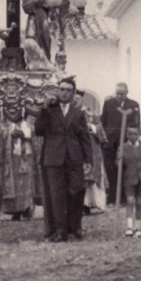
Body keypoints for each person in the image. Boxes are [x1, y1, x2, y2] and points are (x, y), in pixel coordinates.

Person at [34, 78, 93, 241]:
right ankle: (60, 231)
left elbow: (84, 138)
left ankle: (75, 226)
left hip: (74, 158)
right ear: (57, 91)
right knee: (57, 195)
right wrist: (44, 108)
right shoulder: (49, 110)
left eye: (68, 90)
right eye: (61, 89)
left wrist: (89, 160)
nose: (64, 92)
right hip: (54, 159)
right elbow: (38, 130)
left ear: (73, 93)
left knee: (77, 192)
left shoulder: (78, 112)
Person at [100, 82, 140, 205]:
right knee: (110, 169)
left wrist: (133, 140)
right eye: (117, 93)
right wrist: (104, 138)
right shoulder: (108, 104)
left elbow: (136, 124)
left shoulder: (133, 105)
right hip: (109, 142)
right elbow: (103, 121)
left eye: (122, 94)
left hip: (125, 141)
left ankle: (124, 197)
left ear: (127, 93)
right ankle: (112, 197)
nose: (119, 96)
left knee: (124, 169)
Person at [0, 113, 36, 221]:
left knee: (27, 183)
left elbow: (36, 137)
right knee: (17, 185)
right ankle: (17, 210)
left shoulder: (29, 123)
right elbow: (1, 136)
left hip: (27, 154)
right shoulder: (8, 125)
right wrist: (11, 135)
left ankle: (27, 208)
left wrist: (26, 136)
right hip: (14, 155)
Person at [120, 126, 141, 238]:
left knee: (139, 202)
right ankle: (129, 227)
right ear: (126, 135)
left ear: (139, 134)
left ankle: (137, 227)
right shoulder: (122, 147)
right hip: (129, 177)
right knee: (130, 201)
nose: (132, 136)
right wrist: (119, 161)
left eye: (135, 134)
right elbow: (118, 164)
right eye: (130, 134)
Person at [21, 0, 53, 68]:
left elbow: (49, 5)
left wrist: (46, 3)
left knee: (46, 34)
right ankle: (34, 59)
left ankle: (46, 57)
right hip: (34, 17)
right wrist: (35, 2)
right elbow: (25, 6)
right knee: (32, 37)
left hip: (42, 15)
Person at [83, 111, 108, 215]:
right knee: (83, 179)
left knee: (94, 178)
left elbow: (102, 136)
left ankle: (96, 203)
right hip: (81, 152)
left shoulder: (92, 116)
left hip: (94, 152)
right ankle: (84, 204)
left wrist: (90, 127)